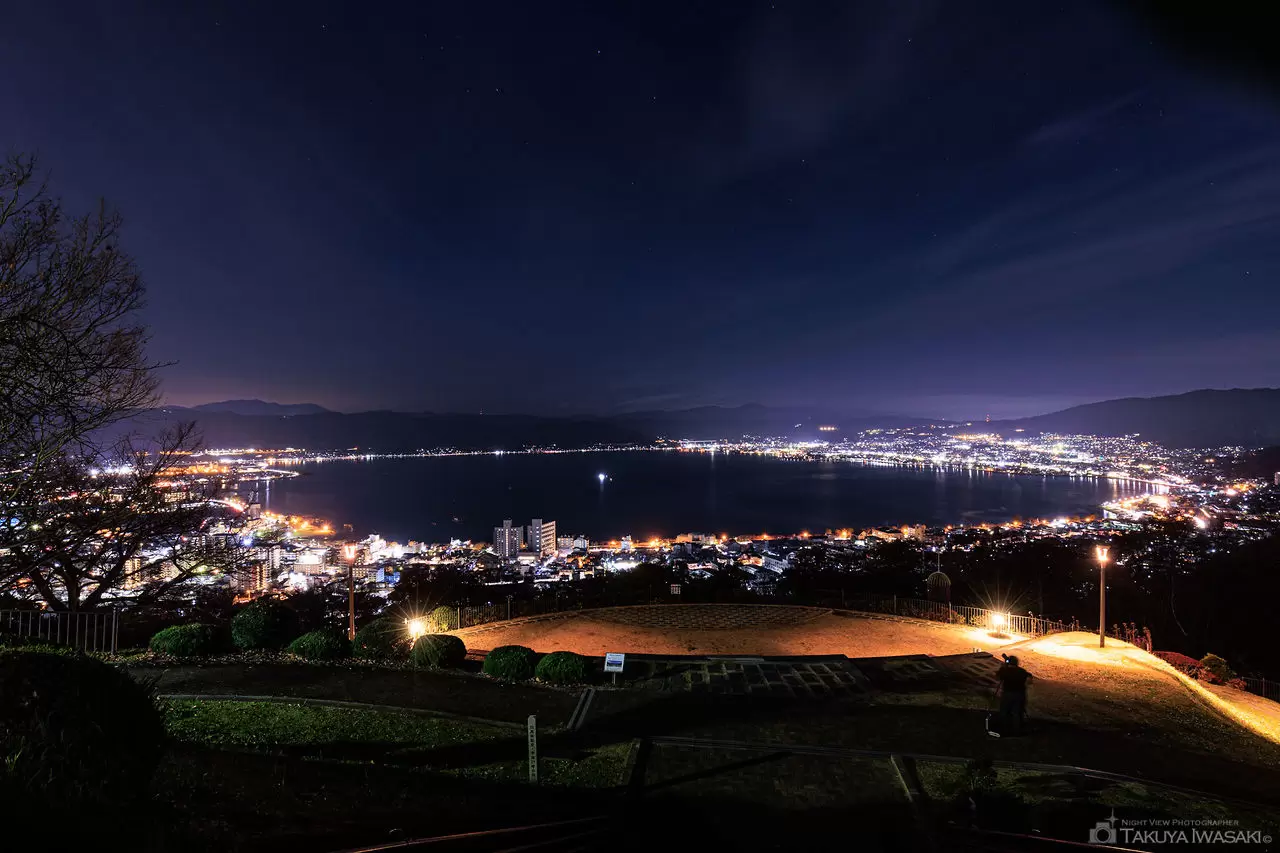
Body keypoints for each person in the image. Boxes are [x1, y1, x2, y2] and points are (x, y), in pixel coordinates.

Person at [992, 654, 1033, 736]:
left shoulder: (1005, 671)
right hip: (1020, 695)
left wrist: (1003, 667)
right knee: (1017, 713)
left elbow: (997, 677)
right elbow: (1029, 678)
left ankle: (1004, 730)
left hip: (1007, 694)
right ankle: (1016, 731)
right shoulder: (1022, 671)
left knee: (1004, 712)